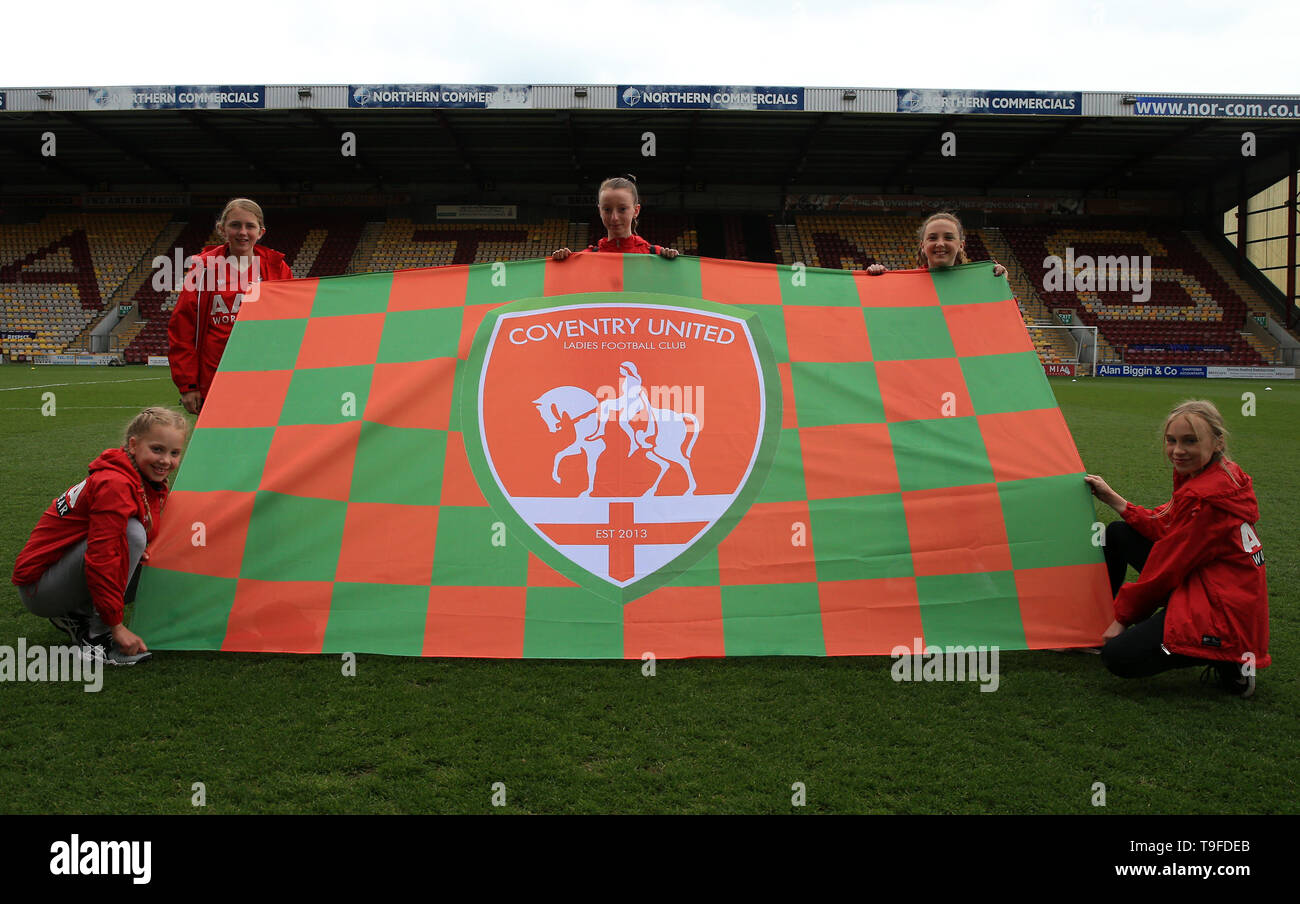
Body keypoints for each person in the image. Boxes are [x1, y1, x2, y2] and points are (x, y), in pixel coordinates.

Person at [1085, 400, 1269, 697]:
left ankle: (1227, 659)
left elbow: (1166, 568)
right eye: (1171, 441)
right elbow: (1166, 524)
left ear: (1218, 442)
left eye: (1190, 441)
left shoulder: (1206, 497)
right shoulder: (1217, 473)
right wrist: (1115, 500)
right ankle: (1095, 624)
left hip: (1221, 607)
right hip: (1211, 582)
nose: (1178, 450)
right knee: (1118, 533)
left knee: (1119, 657)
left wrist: (1123, 619)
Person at [11, 407, 188, 665]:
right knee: (132, 535)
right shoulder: (115, 483)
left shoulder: (142, 477)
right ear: (133, 445)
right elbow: (102, 556)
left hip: (59, 575)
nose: (165, 461)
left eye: (174, 453)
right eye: (157, 449)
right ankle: (97, 638)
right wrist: (115, 625)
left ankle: (77, 614)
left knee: (152, 551)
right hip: (39, 588)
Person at [168, 198, 294, 415]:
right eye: (235, 225)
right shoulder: (203, 268)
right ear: (222, 229)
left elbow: (293, 322)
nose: (242, 232)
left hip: (265, 377)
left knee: (263, 444)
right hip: (215, 377)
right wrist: (188, 385)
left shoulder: (277, 267)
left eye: (250, 226)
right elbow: (183, 328)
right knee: (218, 445)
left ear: (261, 231)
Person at [552, 175, 680, 260]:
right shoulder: (586, 257)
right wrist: (563, 262)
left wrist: (674, 262)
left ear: (636, 210)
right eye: (607, 209)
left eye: (622, 209)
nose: (614, 218)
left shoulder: (656, 255)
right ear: (599, 211)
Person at [865, 210, 1007, 276]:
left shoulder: (978, 280)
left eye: (948, 237)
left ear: (961, 245)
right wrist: (878, 282)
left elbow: (1005, 319)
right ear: (923, 246)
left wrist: (1000, 287)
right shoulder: (906, 282)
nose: (940, 243)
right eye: (932, 238)